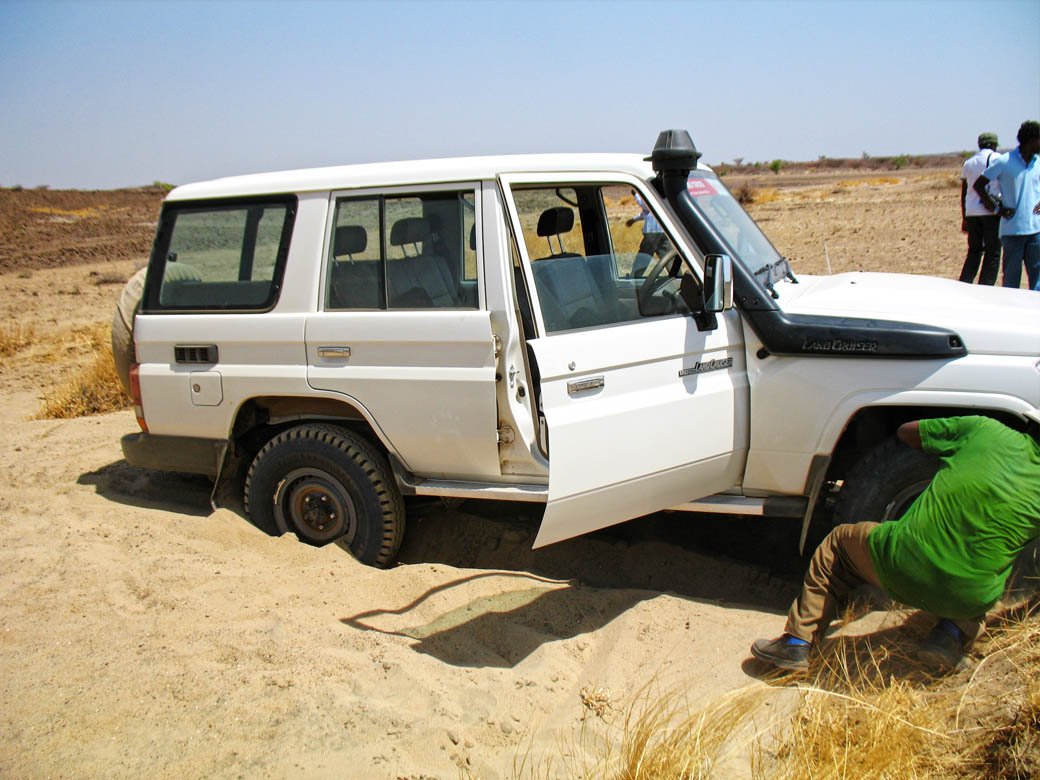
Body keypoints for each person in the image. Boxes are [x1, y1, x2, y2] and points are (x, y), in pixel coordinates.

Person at [750, 415, 1040, 673]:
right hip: (965, 598)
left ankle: (797, 641)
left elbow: (907, 432)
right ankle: (947, 637)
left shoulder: (984, 430)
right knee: (987, 573)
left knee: (836, 545)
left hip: (899, 563)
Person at [973, 120, 1040, 291]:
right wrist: (997, 208)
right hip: (1012, 232)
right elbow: (979, 185)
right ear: (1031, 140)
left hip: (1036, 231)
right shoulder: (1004, 161)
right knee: (1011, 281)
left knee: (1037, 279)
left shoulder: (1038, 162)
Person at [959, 132, 1002, 285]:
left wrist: (964, 217)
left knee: (974, 251)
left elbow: (964, 192)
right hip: (990, 212)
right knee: (993, 252)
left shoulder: (969, 163)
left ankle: (964, 283)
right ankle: (986, 287)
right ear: (994, 145)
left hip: (971, 212)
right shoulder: (998, 159)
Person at [627, 192, 668, 263]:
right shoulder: (665, 197)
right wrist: (634, 219)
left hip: (652, 231)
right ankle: (677, 274)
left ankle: (636, 274)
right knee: (667, 258)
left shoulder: (652, 196)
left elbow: (645, 205)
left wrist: (635, 194)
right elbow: (647, 212)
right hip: (665, 232)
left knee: (643, 259)